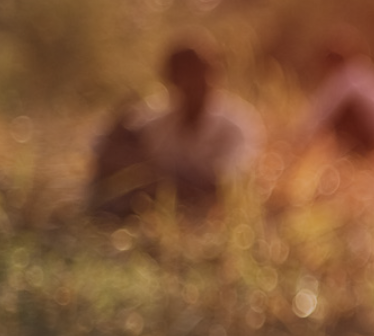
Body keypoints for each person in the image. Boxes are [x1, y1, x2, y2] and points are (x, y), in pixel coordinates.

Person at [88, 41, 263, 219]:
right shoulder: (162, 117)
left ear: (212, 77)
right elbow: (103, 144)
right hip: (163, 207)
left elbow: (228, 182)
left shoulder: (237, 124)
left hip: (213, 215)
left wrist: (166, 180)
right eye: (182, 78)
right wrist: (120, 129)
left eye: (197, 76)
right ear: (171, 82)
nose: (190, 85)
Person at [295, 29, 374, 159]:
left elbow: (322, 113)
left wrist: (299, 137)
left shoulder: (346, 77)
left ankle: (361, 154)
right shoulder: (366, 72)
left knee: (342, 113)